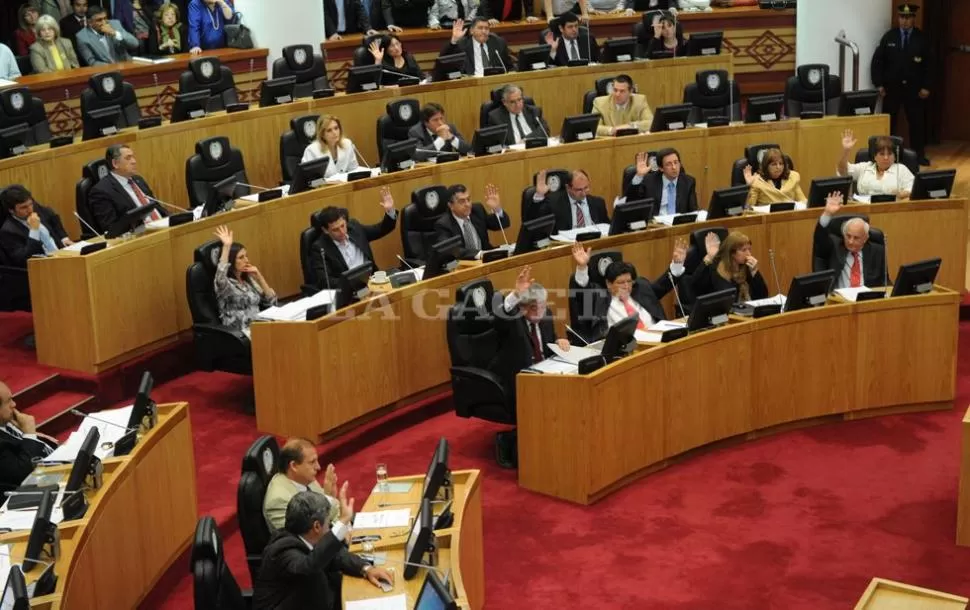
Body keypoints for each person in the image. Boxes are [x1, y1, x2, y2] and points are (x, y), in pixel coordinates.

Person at [253, 489, 395, 610]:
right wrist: (342, 523)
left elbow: (336, 555)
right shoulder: (283, 550)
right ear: (316, 526)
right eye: (328, 523)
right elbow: (309, 567)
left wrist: (366, 569)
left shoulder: (307, 538)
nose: (330, 527)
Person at [570, 240, 686, 337]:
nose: (626, 286)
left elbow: (663, 285)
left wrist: (677, 265)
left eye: (629, 281)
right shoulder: (599, 299)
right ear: (608, 283)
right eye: (620, 283)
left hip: (657, 338)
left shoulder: (641, 287)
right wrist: (582, 267)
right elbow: (582, 292)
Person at [871, 3, 932, 166]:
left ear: (913, 19)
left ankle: (918, 155)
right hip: (892, 89)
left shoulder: (921, 39)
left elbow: (930, 65)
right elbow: (877, 62)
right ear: (898, 18)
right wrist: (879, 84)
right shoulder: (889, 37)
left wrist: (927, 86)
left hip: (915, 89)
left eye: (908, 17)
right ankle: (885, 155)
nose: (904, 21)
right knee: (889, 123)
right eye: (902, 17)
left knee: (917, 123)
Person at [309, 188, 398, 290]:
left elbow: (381, 230)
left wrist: (390, 210)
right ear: (325, 230)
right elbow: (325, 281)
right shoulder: (320, 248)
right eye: (335, 230)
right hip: (349, 291)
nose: (342, 232)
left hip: (373, 283)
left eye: (343, 226)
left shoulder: (355, 228)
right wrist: (351, 284)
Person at [212, 225, 277, 336]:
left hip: (259, 326)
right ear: (231, 261)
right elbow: (220, 277)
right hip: (241, 333)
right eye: (241, 257)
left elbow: (272, 303)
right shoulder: (225, 285)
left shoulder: (247, 280)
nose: (246, 260)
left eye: (246, 256)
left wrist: (260, 277)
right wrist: (226, 247)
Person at [813, 191, 887, 289]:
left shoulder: (877, 251)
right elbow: (820, 238)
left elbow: (885, 282)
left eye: (856, 238)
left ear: (865, 238)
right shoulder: (834, 246)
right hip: (840, 297)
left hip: (866, 297)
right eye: (848, 236)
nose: (850, 241)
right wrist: (827, 213)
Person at [263, 438, 339, 532]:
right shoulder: (279, 500)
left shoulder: (305, 479)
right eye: (312, 462)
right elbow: (308, 535)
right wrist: (328, 498)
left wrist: (330, 496)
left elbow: (334, 512)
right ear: (294, 466)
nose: (318, 467)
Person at [88, 144, 164, 230]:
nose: (134, 161)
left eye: (133, 157)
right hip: (141, 233)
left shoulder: (138, 180)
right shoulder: (101, 191)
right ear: (115, 163)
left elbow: (156, 208)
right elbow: (111, 228)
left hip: (162, 226)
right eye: (128, 158)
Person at [0, 381, 58, 494]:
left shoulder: (7, 422)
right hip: (33, 490)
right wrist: (30, 434)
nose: (14, 404)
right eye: (8, 401)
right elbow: (23, 474)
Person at [433, 183, 510, 260]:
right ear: (451, 205)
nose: (467, 204)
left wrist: (497, 209)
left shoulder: (477, 210)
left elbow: (503, 224)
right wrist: (479, 254)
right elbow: (452, 250)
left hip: (487, 260)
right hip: (464, 264)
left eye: (468, 199)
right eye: (462, 201)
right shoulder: (444, 224)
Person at [0, 185, 72, 267]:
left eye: (31, 204)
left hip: (63, 255)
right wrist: (34, 231)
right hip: (44, 266)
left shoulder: (36, 208)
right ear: (11, 210)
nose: (30, 209)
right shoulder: (8, 232)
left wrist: (64, 238)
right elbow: (24, 259)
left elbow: (53, 218)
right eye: (23, 207)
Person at [690, 230, 768, 302]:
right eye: (744, 250)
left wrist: (754, 272)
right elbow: (695, 286)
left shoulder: (747, 267)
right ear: (731, 253)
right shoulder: (717, 268)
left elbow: (763, 296)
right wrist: (709, 257)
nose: (748, 254)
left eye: (749, 249)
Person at [837, 129, 914, 199]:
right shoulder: (865, 167)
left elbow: (913, 189)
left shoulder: (901, 169)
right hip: (864, 207)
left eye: (890, 154)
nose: (886, 157)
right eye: (882, 154)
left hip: (891, 207)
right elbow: (842, 170)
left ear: (894, 157)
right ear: (875, 157)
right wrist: (846, 151)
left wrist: (900, 194)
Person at [527, 168, 609, 231]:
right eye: (579, 190)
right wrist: (540, 195)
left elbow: (608, 228)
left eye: (586, 188)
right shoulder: (555, 204)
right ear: (568, 188)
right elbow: (534, 220)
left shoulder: (598, 203)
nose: (584, 193)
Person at [624, 149, 698, 215]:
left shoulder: (688, 182)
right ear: (661, 168)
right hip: (655, 224)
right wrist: (639, 176)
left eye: (676, 162)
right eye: (668, 164)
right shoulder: (649, 181)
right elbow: (630, 201)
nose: (674, 167)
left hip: (679, 223)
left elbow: (693, 210)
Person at [440, 17, 512, 77]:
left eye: (486, 28)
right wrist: (454, 40)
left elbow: (509, 66)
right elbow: (444, 60)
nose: (484, 31)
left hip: (493, 81)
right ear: (471, 31)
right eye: (480, 28)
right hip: (471, 82)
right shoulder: (462, 44)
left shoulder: (498, 42)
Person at [486, 84, 551, 144]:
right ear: (504, 102)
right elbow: (495, 144)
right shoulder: (495, 118)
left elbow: (545, 130)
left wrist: (526, 140)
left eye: (519, 100)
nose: (517, 105)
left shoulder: (533, 111)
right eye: (512, 102)